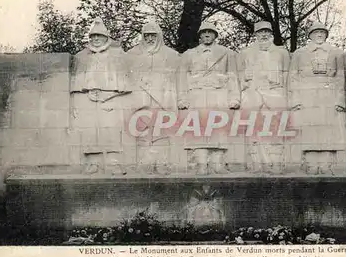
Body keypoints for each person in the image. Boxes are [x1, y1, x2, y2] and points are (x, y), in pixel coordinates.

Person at [177, 21, 241, 175]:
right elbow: (182, 78)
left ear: (215, 35)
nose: (207, 35)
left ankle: (217, 163)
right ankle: (201, 163)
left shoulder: (226, 53)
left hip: (219, 94)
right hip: (197, 94)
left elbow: (233, 76)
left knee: (219, 128)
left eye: (210, 32)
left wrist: (235, 98)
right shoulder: (189, 54)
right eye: (204, 32)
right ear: (199, 36)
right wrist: (182, 98)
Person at [70, 17, 131, 175]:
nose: (96, 39)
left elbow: (124, 81)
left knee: (112, 129)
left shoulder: (117, 55)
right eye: (93, 36)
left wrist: (108, 94)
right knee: (91, 130)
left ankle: (114, 163)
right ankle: (93, 163)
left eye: (99, 36)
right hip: (88, 98)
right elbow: (76, 83)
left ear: (106, 37)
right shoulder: (81, 56)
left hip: (111, 98)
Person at [288, 21, 346, 174]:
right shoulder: (299, 53)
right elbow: (293, 77)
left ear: (326, 35)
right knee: (309, 129)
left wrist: (340, 100)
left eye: (322, 32)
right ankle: (311, 163)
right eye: (316, 32)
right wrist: (295, 100)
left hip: (329, 95)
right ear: (310, 35)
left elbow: (341, 77)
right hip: (307, 96)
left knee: (328, 130)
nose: (319, 35)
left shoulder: (336, 53)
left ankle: (326, 163)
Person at [125, 21, 181, 175]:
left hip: (162, 98)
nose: (150, 39)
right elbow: (126, 76)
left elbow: (178, 77)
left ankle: (162, 163)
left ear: (159, 36)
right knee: (142, 129)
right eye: (147, 35)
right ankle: (145, 163)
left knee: (161, 130)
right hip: (141, 99)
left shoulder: (171, 55)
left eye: (153, 35)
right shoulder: (131, 54)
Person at [237, 21, 290, 174]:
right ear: (256, 35)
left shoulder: (282, 53)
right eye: (260, 32)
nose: (264, 35)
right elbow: (237, 75)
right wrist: (244, 79)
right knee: (254, 131)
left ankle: (275, 164)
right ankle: (256, 164)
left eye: (267, 31)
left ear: (271, 33)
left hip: (274, 95)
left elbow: (287, 76)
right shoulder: (245, 52)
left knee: (274, 130)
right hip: (253, 95)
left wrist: (284, 94)